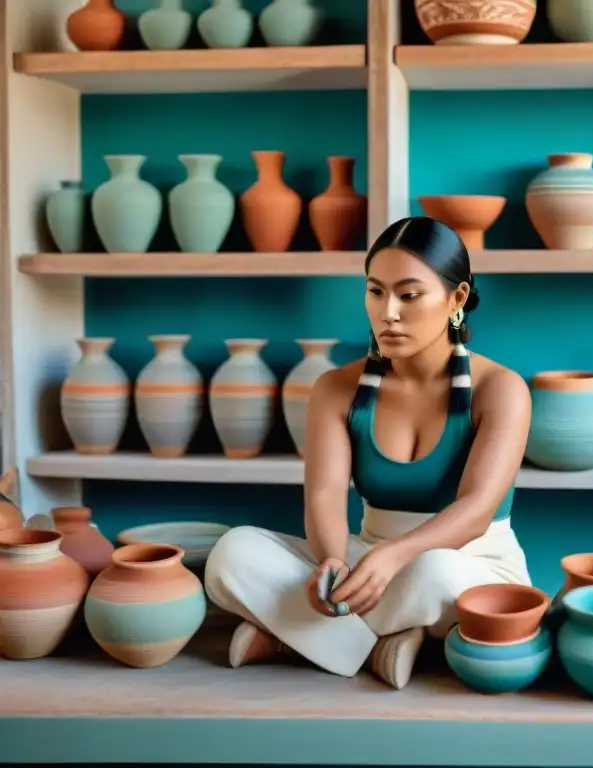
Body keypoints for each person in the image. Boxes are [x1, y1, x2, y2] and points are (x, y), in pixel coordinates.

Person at [204, 216, 534, 690]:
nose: (388, 312)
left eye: (409, 294)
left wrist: (397, 555)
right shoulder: (336, 389)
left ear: (457, 299)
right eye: (375, 292)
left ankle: (293, 638)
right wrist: (332, 560)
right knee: (231, 553)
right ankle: (379, 645)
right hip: (367, 562)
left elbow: (476, 512)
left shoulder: (500, 389)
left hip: (466, 565)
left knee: (433, 571)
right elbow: (324, 496)